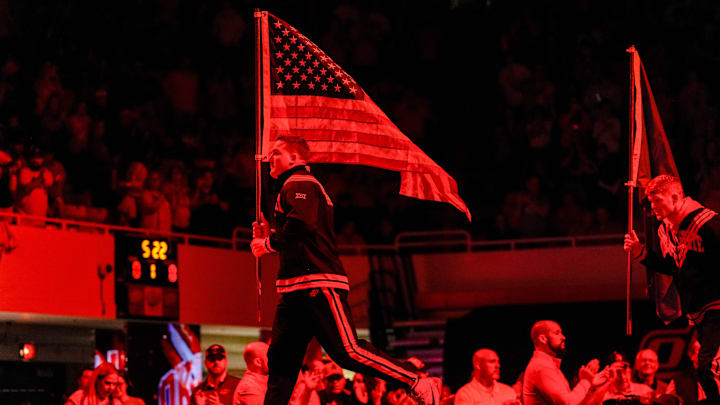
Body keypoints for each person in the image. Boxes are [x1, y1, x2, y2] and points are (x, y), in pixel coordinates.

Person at [251, 136, 440, 405]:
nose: (271, 156)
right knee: (281, 361)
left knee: (347, 351)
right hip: (297, 289)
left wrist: (267, 243)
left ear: (295, 159)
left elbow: (302, 225)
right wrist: (269, 232)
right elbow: (300, 230)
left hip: (316, 282)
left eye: (278, 152)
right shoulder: (299, 186)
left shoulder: (299, 183)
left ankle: (414, 380)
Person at [624, 174, 720, 401]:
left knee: (708, 368)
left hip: (717, 306)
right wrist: (641, 253)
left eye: (657, 200)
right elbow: (673, 266)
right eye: (650, 201)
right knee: (708, 369)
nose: (652, 207)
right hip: (700, 313)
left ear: (675, 197)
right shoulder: (665, 230)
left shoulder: (708, 223)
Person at [522, 320, 614, 405]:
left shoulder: (547, 365)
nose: (563, 337)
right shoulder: (542, 368)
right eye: (557, 333)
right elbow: (568, 403)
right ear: (543, 339)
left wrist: (591, 383)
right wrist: (586, 381)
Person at [455, 348, 519, 405]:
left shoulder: (508, 391)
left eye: (498, 362)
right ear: (478, 365)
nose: (498, 365)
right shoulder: (466, 394)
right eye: (492, 361)